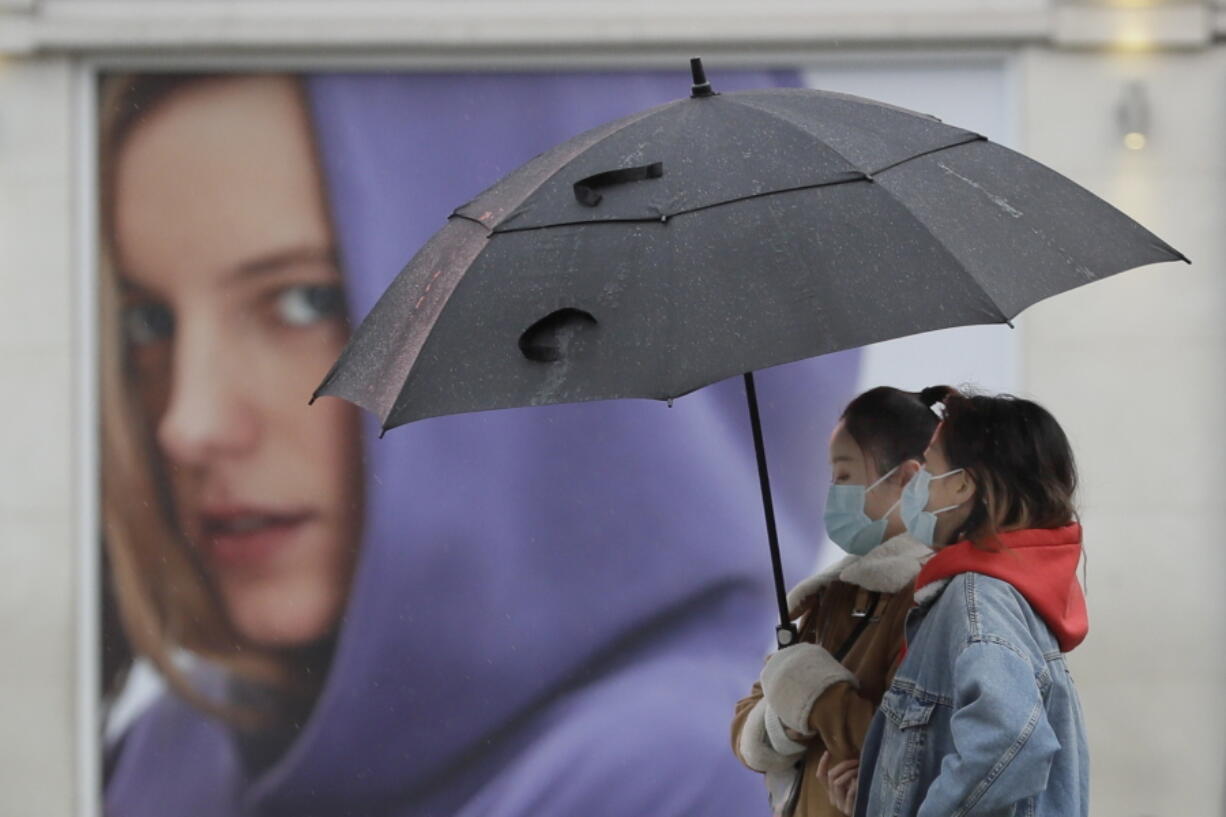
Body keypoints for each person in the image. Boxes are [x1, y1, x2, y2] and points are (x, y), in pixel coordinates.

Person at [99, 70, 864, 816]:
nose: (187, 425)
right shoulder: (179, 746)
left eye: (308, 301)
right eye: (146, 323)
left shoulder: (672, 773)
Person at [842, 386, 1089, 817]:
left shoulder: (979, 597)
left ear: (961, 485)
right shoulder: (1002, 591)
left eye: (928, 467)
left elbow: (1010, 738)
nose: (915, 482)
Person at [731, 386, 938, 817]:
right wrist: (786, 718)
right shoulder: (829, 593)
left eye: (844, 477)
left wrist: (818, 697)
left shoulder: (929, 596)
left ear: (908, 478)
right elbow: (746, 722)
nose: (832, 492)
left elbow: (915, 749)